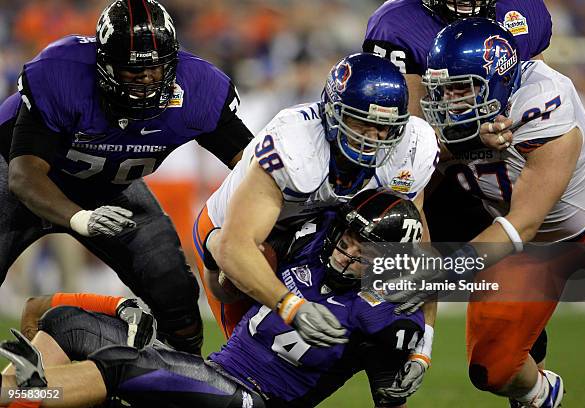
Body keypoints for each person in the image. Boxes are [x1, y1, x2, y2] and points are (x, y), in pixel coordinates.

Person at [0, 189, 434, 408]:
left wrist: (415, 358)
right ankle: (25, 399)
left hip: (254, 401)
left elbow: (388, 394)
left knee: (122, 364)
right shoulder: (311, 246)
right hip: (216, 375)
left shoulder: (387, 315)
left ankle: (21, 396)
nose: (350, 246)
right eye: (351, 233)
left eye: (368, 244)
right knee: (66, 323)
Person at [0, 0, 255, 354]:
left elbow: (255, 171)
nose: (148, 80)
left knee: (173, 289)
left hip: (111, 186)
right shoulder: (63, 72)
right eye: (133, 72)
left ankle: (173, 385)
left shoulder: (198, 90)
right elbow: (24, 174)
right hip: (20, 180)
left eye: (156, 69)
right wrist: (81, 218)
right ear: (102, 64)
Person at [394, 18, 585, 408]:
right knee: (493, 369)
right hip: (524, 246)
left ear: (496, 80)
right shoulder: (461, 112)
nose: (448, 100)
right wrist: (462, 141)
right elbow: (416, 179)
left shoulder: (544, 100)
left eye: (461, 88)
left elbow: (523, 222)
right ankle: (542, 396)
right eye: (442, 89)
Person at [192, 52, 439, 343]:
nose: (373, 138)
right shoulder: (295, 144)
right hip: (243, 236)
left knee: (402, 269)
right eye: (361, 123)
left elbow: (410, 226)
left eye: (384, 127)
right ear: (333, 113)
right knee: (253, 344)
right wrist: (291, 307)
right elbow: (236, 246)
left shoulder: (412, 146)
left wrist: (426, 340)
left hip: (321, 231)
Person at [363, 0, 554, 242]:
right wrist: (473, 138)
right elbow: (408, 147)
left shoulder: (522, 9)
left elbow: (539, 92)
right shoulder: (396, 25)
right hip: (445, 177)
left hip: (514, 159)